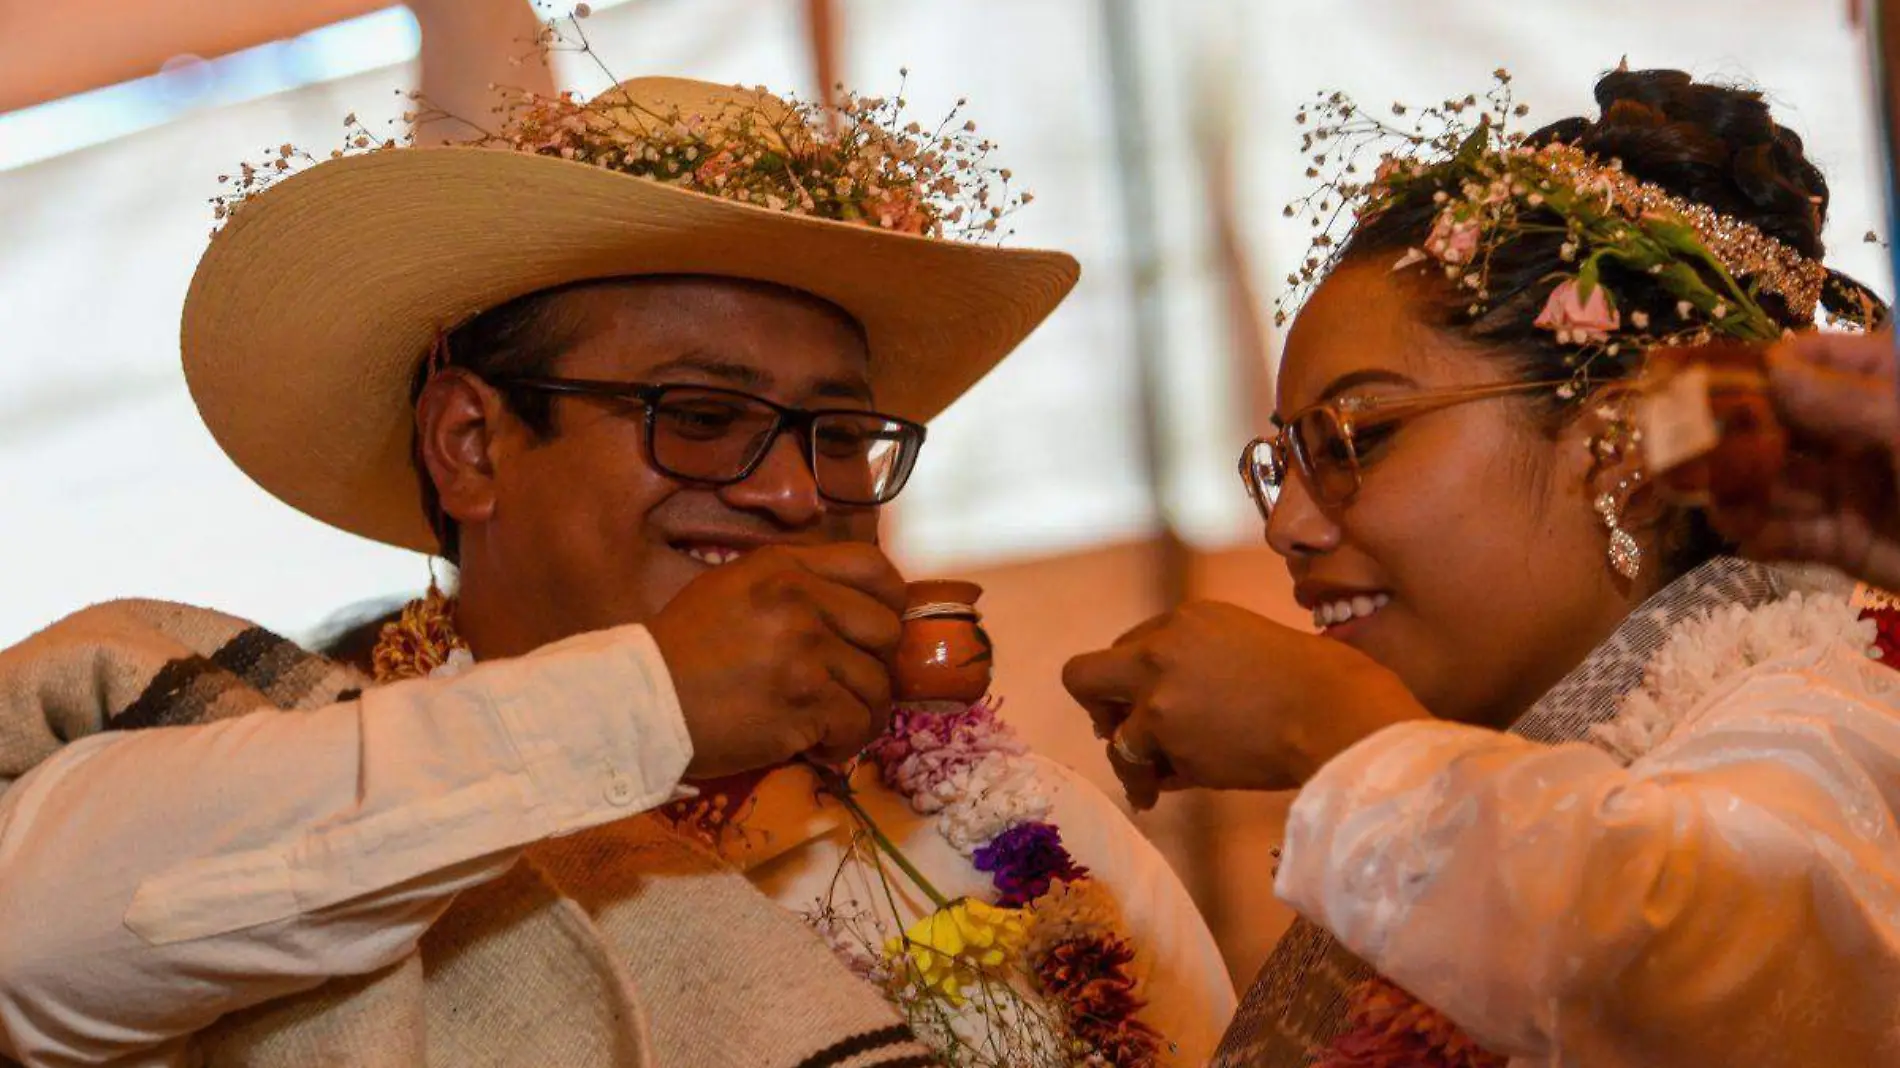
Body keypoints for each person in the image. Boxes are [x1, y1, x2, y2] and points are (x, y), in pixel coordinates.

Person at [0, 71, 1234, 1068]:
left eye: (840, 435)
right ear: (470, 445)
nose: (796, 492)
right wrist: (647, 705)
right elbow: (35, 953)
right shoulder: (278, 769)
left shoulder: (1033, 836)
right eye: (699, 414)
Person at [1064, 68, 1900, 1066]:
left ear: (1618, 448)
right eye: (1278, 466)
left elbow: (1694, 978)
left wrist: (1320, 722)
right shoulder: (1521, 788)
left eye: (1353, 437)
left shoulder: (1825, 723)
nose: (1285, 525)